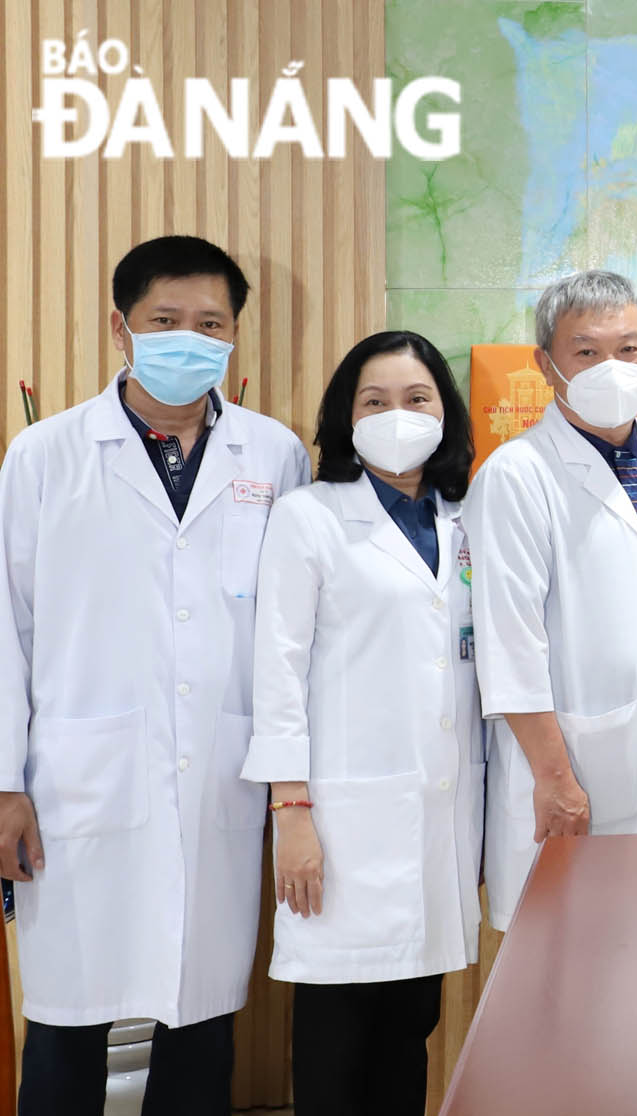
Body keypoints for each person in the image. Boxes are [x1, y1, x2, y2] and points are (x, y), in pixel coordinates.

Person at [0, 235, 310, 1114]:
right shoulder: (48, 457)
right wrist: (3, 784)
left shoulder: (273, 456)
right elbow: (5, 628)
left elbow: (288, 630)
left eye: (210, 324)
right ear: (120, 330)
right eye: (165, 321)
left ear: (234, 338)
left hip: (217, 773)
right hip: (76, 781)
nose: (189, 339)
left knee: (199, 1024)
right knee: (67, 1028)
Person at [241, 330, 482, 1115]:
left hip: (437, 817)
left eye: (416, 399)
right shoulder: (310, 518)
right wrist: (293, 812)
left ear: (445, 413)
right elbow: (276, 672)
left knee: (410, 1027)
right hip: (339, 819)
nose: (397, 415)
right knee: (336, 1039)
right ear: (345, 419)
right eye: (373, 402)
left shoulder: (465, 518)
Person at [465, 269, 637, 931]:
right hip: (572, 774)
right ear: (546, 364)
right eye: (586, 351)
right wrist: (557, 779)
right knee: (570, 980)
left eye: (628, 349)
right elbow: (509, 645)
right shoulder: (516, 473)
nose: (612, 366)